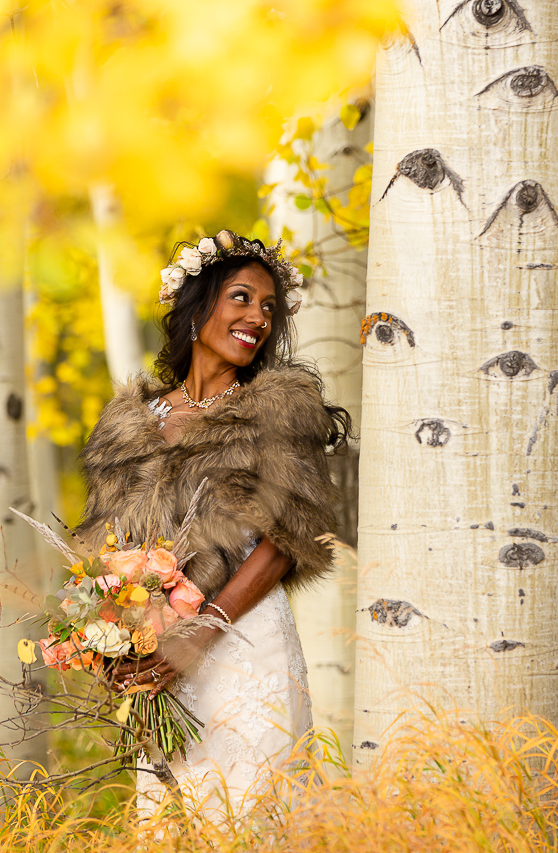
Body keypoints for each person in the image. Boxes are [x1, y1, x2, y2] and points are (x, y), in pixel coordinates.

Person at [73, 229, 350, 815]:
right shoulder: (128, 425)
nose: (259, 317)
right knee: (174, 820)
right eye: (242, 298)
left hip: (248, 646)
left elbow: (285, 540)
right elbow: (106, 551)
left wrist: (203, 631)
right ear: (198, 308)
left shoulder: (278, 409)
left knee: (250, 814)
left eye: (270, 307)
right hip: (161, 664)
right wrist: (113, 640)